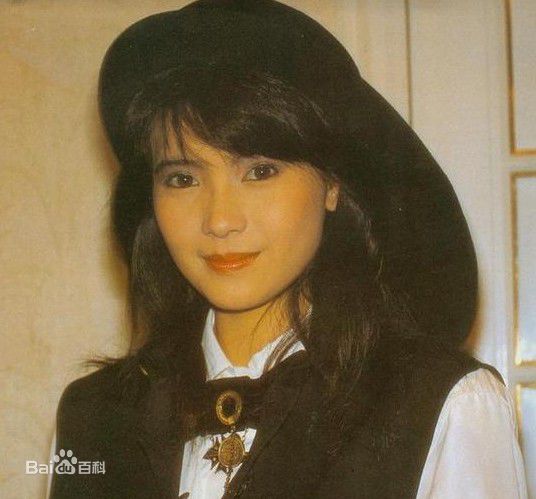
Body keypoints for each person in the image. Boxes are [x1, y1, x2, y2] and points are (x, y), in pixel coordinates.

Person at [49, 1, 527, 498]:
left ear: (332, 184)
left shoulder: (443, 406)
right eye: (183, 178)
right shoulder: (91, 419)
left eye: (259, 172)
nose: (219, 220)